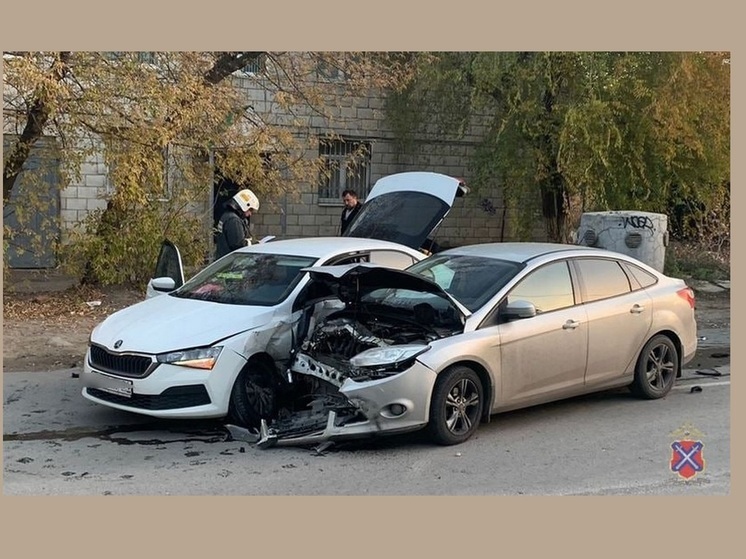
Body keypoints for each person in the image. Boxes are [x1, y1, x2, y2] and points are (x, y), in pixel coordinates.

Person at [214, 188, 260, 259]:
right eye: (250, 210)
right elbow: (238, 244)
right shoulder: (234, 221)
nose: (250, 214)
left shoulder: (227, 215)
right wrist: (254, 244)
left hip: (224, 260)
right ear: (245, 205)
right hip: (231, 263)